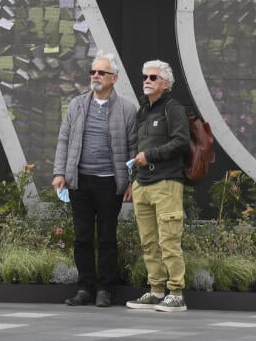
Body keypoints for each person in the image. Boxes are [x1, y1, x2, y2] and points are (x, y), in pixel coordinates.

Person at [52, 52, 137, 307]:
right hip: (80, 181)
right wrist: (59, 173)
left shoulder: (127, 109)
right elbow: (63, 139)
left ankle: (104, 289)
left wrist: (132, 181)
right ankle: (85, 288)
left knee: (108, 237)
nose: (96, 76)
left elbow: (133, 148)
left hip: (110, 182)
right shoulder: (77, 104)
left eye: (101, 72)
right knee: (82, 237)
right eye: (93, 72)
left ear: (114, 78)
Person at [125, 59, 190, 312]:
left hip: (166, 183)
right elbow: (137, 149)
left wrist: (150, 156)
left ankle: (176, 293)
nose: (147, 82)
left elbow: (181, 142)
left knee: (169, 240)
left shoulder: (173, 108)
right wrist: (133, 182)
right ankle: (156, 290)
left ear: (165, 83)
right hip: (143, 183)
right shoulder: (143, 111)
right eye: (145, 77)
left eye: (153, 78)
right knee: (148, 242)